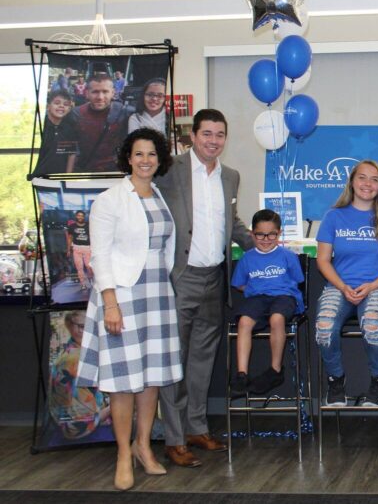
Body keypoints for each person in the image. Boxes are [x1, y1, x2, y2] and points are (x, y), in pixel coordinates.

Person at [75, 128, 181, 490]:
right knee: (123, 382)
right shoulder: (110, 200)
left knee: (150, 378)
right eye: (139, 154)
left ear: (159, 159)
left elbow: (165, 249)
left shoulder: (160, 197)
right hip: (122, 296)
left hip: (156, 295)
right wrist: (110, 303)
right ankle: (123, 453)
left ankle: (143, 446)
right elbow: (100, 256)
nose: (146, 160)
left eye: (152, 154)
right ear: (128, 158)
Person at [156, 109, 253, 468]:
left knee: (201, 361)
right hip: (180, 278)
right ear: (193, 136)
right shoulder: (170, 170)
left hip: (215, 278)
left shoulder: (231, 176)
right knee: (173, 362)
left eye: (220, 134)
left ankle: (197, 428)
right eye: (207, 134)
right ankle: (174, 438)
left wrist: (259, 242)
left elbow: (231, 221)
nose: (213, 140)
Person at [315, 160, 378, 408]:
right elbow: (323, 260)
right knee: (323, 326)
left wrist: (373, 285)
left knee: (372, 324)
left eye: (374, 179)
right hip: (339, 287)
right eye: (362, 178)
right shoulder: (333, 217)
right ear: (352, 182)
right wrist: (342, 287)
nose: (368, 184)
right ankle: (336, 380)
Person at [230, 209, 305, 396]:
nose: (265, 239)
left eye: (271, 234)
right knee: (244, 322)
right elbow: (239, 283)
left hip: (283, 297)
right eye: (260, 234)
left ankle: (275, 369)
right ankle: (242, 373)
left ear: (278, 233)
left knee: (277, 318)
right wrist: (251, 290)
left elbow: (298, 279)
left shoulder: (287, 256)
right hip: (257, 297)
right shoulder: (247, 258)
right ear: (252, 234)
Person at [48, 311, 111, 441]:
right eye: (81, 326)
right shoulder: (74, 358)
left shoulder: (77, 349)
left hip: (76, 420)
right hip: (79, 425)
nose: (86, 331)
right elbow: (82, 414)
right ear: (70, 327)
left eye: (90, 327)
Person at [69, 73, 130, 173]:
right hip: (83, 172)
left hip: (115, 173)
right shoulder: (76, 114)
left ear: (113, 93)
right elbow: (70, 149)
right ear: (87, 93)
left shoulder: (124, 113)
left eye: (105, 92)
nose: (100, 97)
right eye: (95, 92)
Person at [33, 89, 79, 176]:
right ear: (48, 106)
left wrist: (67, 177)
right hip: (38, 176)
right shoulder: (41, 126)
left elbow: (71, 154)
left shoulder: (69, 129)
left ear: (69, 109)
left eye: (66, 104)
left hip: (59, 178)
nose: (61, 106)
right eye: (57, 103)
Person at [65, 210, 93, 292]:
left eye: (82, 215)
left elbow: (93, 236)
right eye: (78, 215)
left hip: (87, 247)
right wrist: (68, 249)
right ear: (76, 216)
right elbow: (70, 238)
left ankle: (91, 279)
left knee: (89, 266)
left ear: (84, 217)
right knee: (79, 267)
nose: (80, 217)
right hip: (76, 248)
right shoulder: (72, 226)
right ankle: (83, 284)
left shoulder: (88, 225)